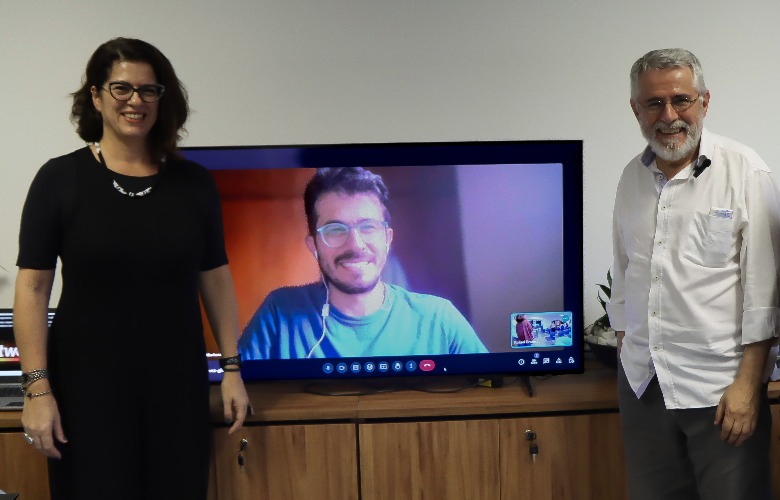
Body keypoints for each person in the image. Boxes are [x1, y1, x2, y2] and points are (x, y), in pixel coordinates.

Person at [13, 38, 250, 499]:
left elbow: (215, 277)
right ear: (96, 96)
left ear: (164, 100)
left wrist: (232, 368)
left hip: (177, 385)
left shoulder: (194, 184)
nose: (135, 101)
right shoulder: (58, 180)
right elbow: (33, 289)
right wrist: (36, 391)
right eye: (121, 88)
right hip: (85, 389)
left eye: (149, 90)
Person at [609, 48, 780, 500]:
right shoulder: (631, 177)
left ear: (704, 102)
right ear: (636, 109)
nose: (669, 115)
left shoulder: (747, 172)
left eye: (681, 100)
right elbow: (624, 273)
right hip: (644, 383)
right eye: (654, 103)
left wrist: (749, 386)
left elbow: (768, 294)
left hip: (720, 391)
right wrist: (624, 343)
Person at [238, 167, 488, 359]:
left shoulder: (439, 319)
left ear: (387, 238)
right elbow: (234, 390)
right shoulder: (278, 314)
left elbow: (491, 390)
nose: (355, 244)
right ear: (314, 245)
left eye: (368, 227)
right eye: (336, 230)